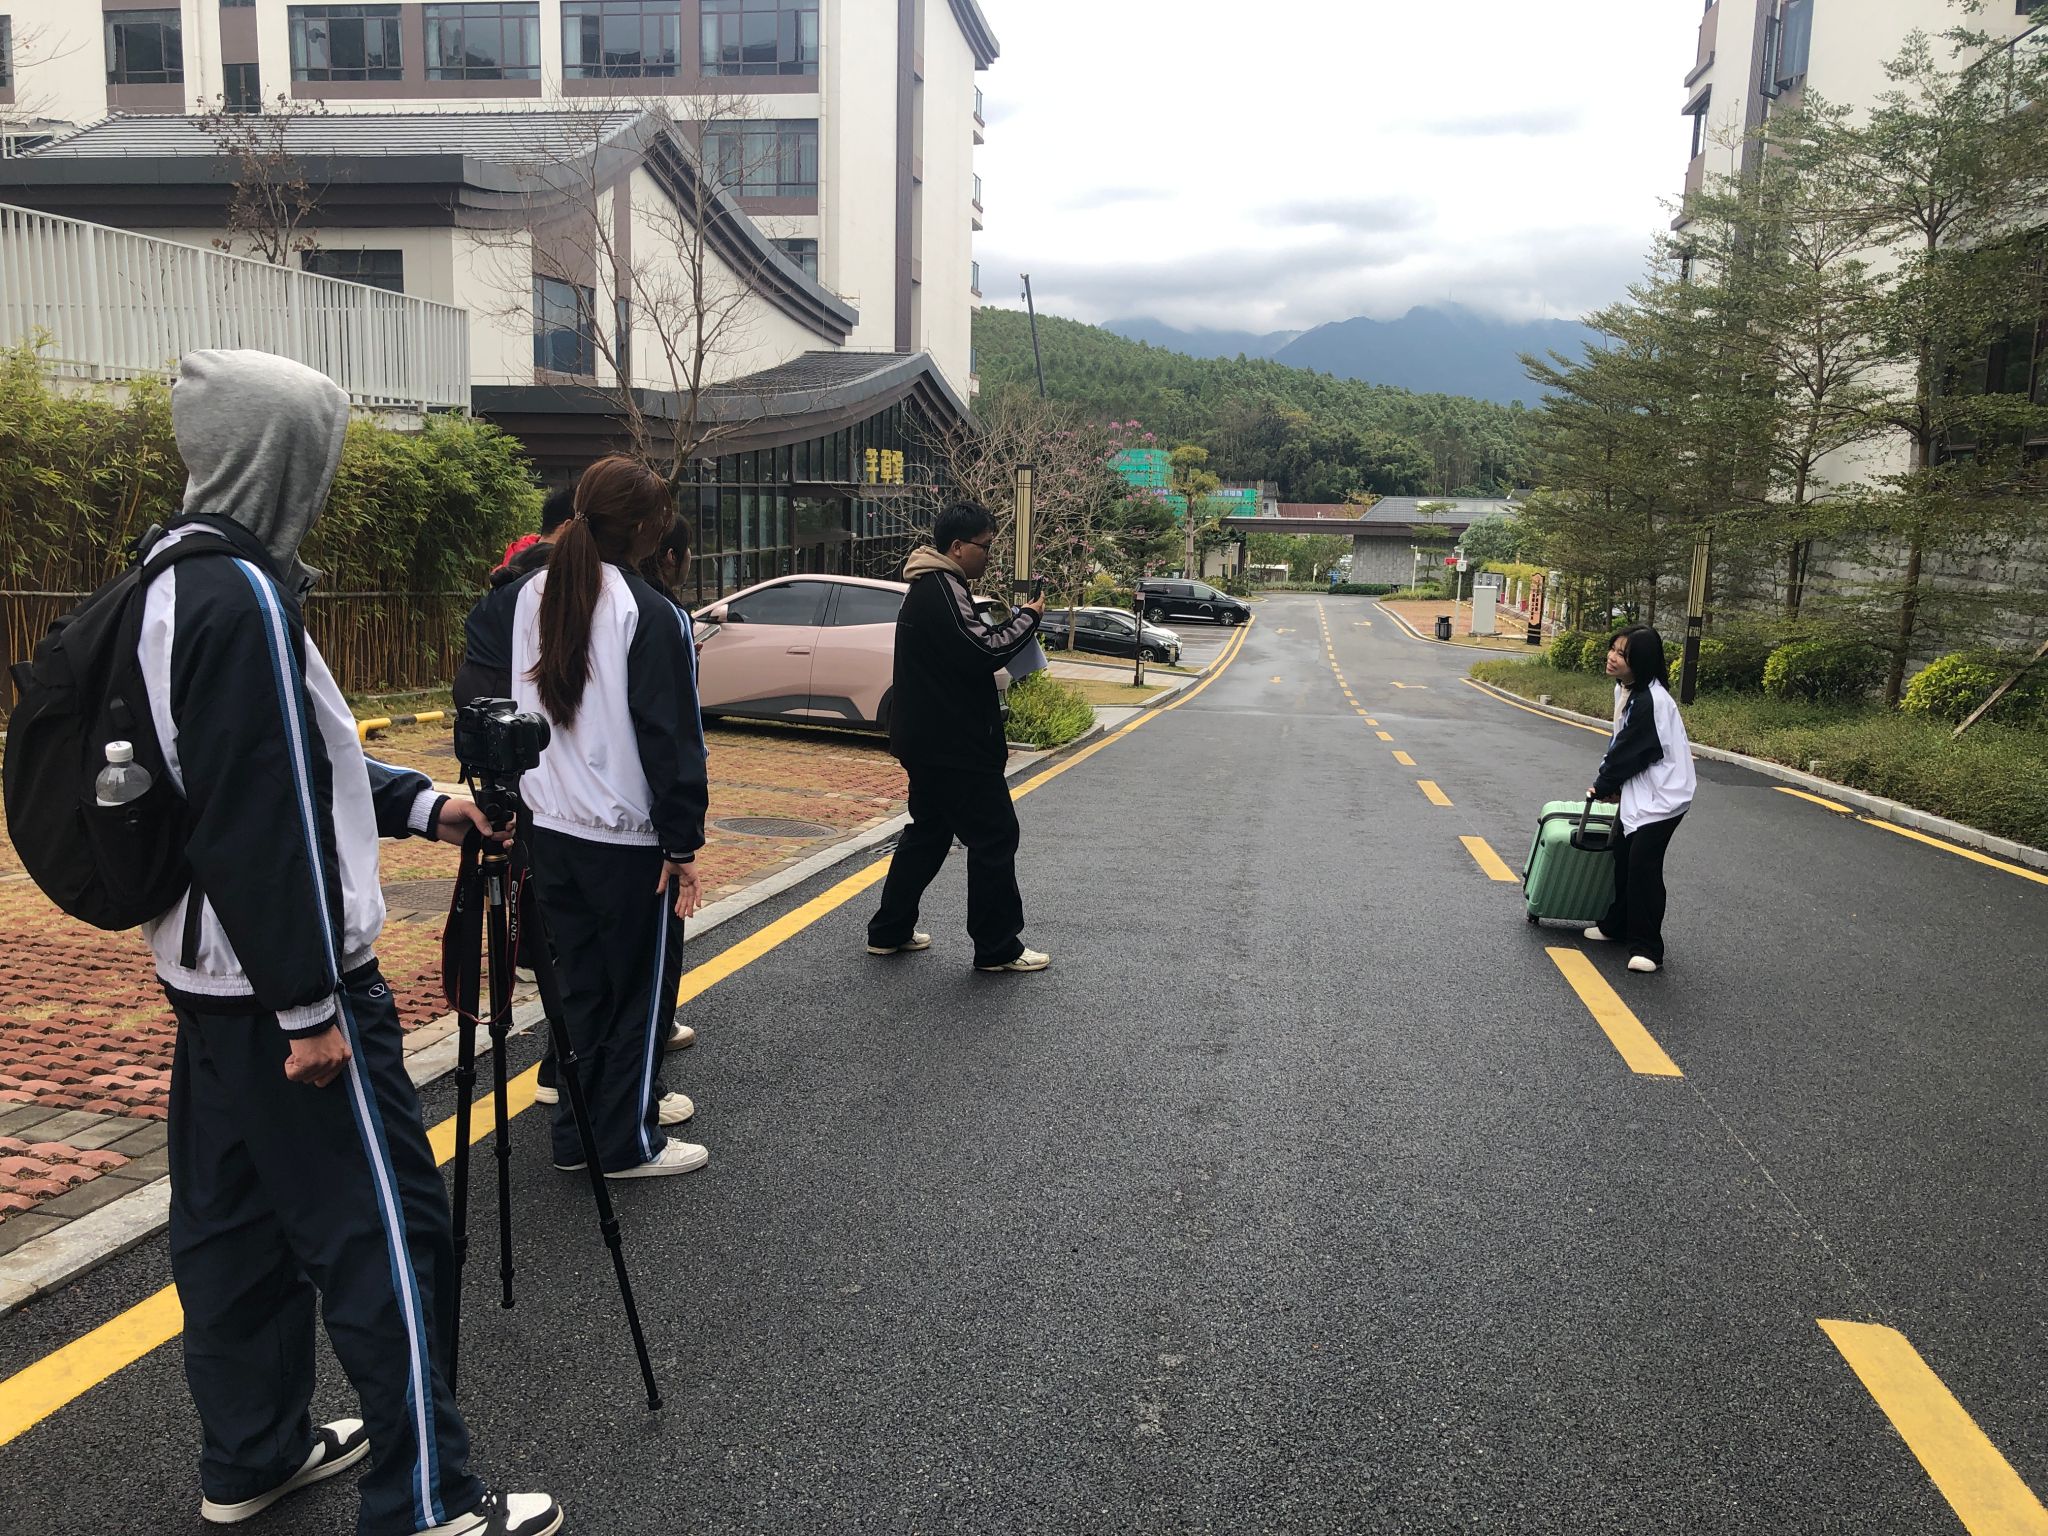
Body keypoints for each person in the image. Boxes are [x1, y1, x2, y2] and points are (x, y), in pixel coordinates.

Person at [140, 350, 558, 1535]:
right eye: (319, 452)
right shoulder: (245, 598)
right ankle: (427, 1501)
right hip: (291, 986)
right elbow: (259, 816)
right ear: (283, 457)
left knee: (231, 1231)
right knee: (389, 1238)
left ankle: (252, 1454)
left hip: (205, 976)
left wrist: (425, 804)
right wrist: (310, 1009)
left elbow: (290, 762)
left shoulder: (172, 576)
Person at [512, 457, 710, 1178]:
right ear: (649, 529)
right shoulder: (650, 613)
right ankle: (626, 1143)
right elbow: (671, 738)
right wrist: (682, 842)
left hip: (549, 827)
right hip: (628, 840)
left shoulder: (534, 592)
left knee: (581, 991)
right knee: (637, 999)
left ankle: (577, 1137)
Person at [865, 500, 1051, 972]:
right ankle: (997, 947)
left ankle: (889, 930)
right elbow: (981, 650)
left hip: (927, 740)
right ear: (956, 546)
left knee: (929, 832)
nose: (989, 555)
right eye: (984, 546)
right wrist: (1028, 618)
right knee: (994, 836)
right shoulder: (942, 589)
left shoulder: (929, 586)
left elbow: (963, 649)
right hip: (955, 746)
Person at [1583, 625, 1697, 974]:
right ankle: (1616, 925)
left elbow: (1631, 750)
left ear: (1641, 661)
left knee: (1643, 867)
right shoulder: (1628, 689)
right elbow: (1623, 745)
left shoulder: (1651, 700)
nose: (1612, 657)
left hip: (1665, 797)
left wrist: (1603, 785)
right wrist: (1615, 785)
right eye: (1613, 649)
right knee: (1622, 856)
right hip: (1642, 792)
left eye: (1622, 654)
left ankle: (1648, 947)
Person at [452, 486, 576, 708]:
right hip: (502, 691)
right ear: (567, 527)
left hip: (478, 682)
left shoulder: (521, 557)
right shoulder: (551, 576)